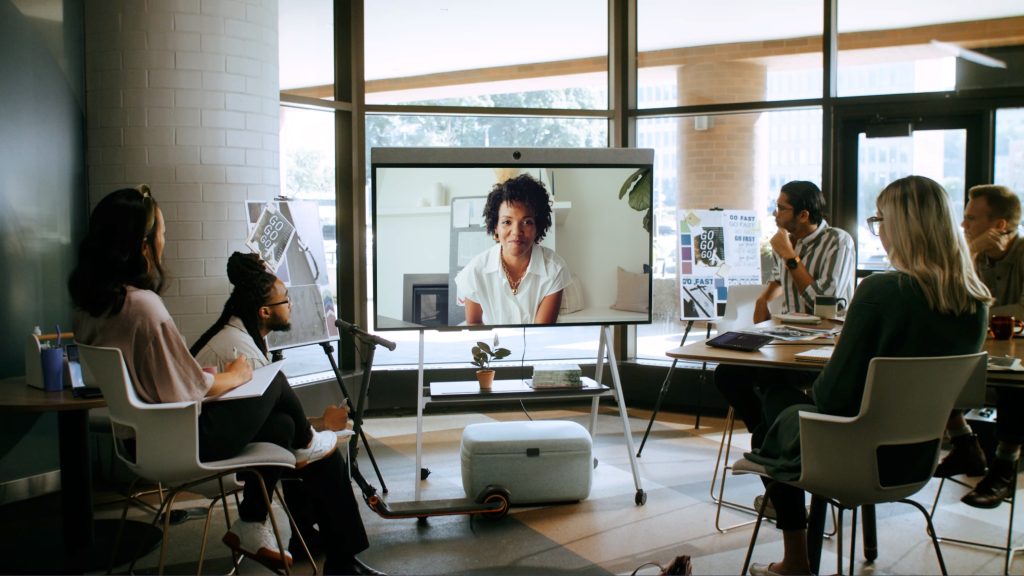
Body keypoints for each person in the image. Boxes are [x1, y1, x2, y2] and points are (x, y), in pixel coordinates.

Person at [69, 186, 339, 570]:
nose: (165, 239)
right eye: (161, 232)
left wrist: (204, 375)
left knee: (279, 425)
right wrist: (232, 375)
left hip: (139, 443)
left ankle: (251, 524)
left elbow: (160, 378)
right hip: (183, 442)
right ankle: (308, 442)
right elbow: (188, 389)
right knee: (273, 380)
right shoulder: (144, 307)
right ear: (141, 245)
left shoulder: (91, 307)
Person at [743, 175, 990, 576]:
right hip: (916, 460)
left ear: (904, 227)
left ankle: (795, 562)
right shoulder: (975, 301)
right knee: (781, 406)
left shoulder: (881, 292)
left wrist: (809, 383)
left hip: (850, 455)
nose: (879, 232)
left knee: (773, 402)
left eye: (881, 220)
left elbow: (833, 399)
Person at [191, 252, 383, 575]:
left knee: (285, 431)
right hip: (205, 443)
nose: (291, 305)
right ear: (265, 312)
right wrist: (318, 429)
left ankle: (307, 537)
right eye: (285, 300)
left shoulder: (244, 335)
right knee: (323, 456)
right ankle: (342, 561)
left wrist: (320, 423)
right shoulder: (240, 349)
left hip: (217, 431)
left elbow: (262, 416)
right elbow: (258, 412)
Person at [715, 181, 856, 449]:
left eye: (781, 208)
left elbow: (826, 304)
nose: (774, 213)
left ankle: (776, 441)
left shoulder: (838, 242)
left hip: (824, 347)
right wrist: (764, 298)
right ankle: (768, 436)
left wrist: (791, 256)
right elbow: (781, 277)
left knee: (771, 379)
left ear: (803, 215)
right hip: (788, 340)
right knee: (727, 374)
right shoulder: (791, 242)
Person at [934, 184, 1024, 508]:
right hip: (983, 354)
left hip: (1018, 361)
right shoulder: (974, 254)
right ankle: (964, 443)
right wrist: (969, 252)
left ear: (1000, 225)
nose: (963, 226)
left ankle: (1004, 467)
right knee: (931, 365)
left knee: (1016, 384)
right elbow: (949, 302)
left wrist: (981, 312)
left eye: (971, 219)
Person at [455, 173, 571, 325]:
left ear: (538, 227)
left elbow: (541, 332)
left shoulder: (555, 269)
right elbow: (474, 326)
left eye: (527, 222)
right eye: (507, 222)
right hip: (492, 347)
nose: (516, 232)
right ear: (495, 227)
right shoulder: (475, 271)